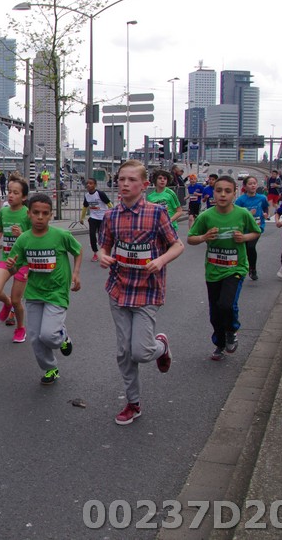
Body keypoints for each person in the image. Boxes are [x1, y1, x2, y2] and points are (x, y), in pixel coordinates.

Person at [98, 160, 184, 425]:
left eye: (131, 180)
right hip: (119, 288)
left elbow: (177, 245)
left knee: (142, 352)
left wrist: (160, 260)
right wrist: (102, 256)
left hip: (147, 290)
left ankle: (161, 346)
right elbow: (104, 246)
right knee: (124, 351)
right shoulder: (111, 216)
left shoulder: (157, 213)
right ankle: (133, 403)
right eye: (121, 179)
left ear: (144, 185)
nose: (125, 184)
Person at [6, 193, 82, 385]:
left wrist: (76, 273)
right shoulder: (23, 240)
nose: (40, 217)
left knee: (49, 335)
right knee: (35, 338)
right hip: (34, 292)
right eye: (36, 212)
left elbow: (78, 250)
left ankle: (63, 337)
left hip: (57, 291)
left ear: (50, 215)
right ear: (29, 214)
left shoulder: (61, 235)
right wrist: (11, 266)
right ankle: (50, 368)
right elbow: (15, 267)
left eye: (45, 213)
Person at [188, 176, 261, 361]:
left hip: (235, 268)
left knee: (226, 304)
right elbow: (190, 238)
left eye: (228, 191)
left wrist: (244, 238)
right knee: (215, 312)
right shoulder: (206, 216)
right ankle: (219, 343)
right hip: (213, 271)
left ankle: (231, 330)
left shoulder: (242, 214)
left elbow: (256, 232)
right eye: (219, 190)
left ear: (235, 193)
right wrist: (204, 237)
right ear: (213, 192)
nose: (222, 194)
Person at [0, 174, 31, 343]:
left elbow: (35, 237)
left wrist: (22, 234)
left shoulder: (27, 214)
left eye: (16, 193)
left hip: (23, 262)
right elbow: (1, 227)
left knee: (17, 300)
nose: (11, 195)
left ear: (24, 197)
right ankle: (7, 303)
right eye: (10, 192)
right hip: (7, 257)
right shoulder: (4, 211)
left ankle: (20, 328)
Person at [234, 176, 269, 280]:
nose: (253, 185)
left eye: (254, 183)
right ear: (245, 186)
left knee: (251, 247)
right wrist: (249, 214)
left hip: (257, 227)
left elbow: (265, 207)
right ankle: (241, 268)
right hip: (244, 229)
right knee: (243, 249)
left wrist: (266, 213)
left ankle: (252, 269)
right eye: (250, 184)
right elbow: (236, 215)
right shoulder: (240, 200)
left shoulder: (262, 198)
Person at [79, 177, 112, 262]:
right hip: (93, 217)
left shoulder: (100, 194)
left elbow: (109, 204)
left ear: (95, 185)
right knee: (92, 235)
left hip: (103, 218)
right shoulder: (87, 196)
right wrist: (82, 218)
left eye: (91, 183)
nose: (88, 185)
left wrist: (113, 215)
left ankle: (104, 251)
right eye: (87, 183)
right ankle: (95, 253)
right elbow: (85, 207)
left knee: (102, 236)